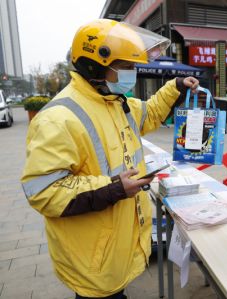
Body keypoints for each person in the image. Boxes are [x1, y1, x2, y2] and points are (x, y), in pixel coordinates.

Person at [21, 19, 199, 298]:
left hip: (117, 246)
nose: (132, 74)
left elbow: (150, 113)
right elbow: (44, 191)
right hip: (93, 257)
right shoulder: (58, 119)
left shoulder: (116, 103)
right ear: (94, 66)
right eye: (125, 67)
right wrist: (115, 187)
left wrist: (176, 86)